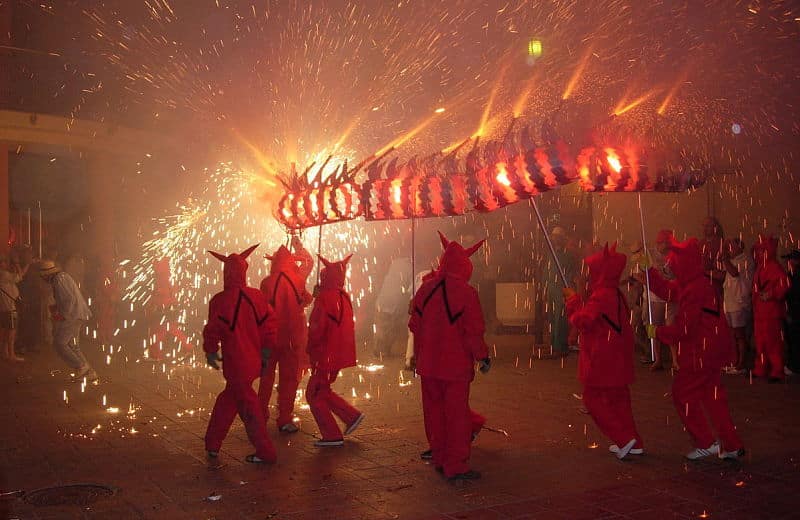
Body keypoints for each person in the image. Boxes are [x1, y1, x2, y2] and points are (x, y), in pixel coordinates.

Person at [645, 237, 744, 460]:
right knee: (714, 399)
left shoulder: (695, 289)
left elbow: (684, 329)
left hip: (700, 353)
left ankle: (705, 441)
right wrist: (650, 272)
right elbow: (669, 292)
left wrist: (657, 332)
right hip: (710, 352)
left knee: (682, 394)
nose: (670, 267)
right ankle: (731, 444)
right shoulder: (694, 283)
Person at [409, 232, 490, 480]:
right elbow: (473, 331)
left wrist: (417, 355)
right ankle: (456, 465)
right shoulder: (467, 293)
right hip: (454, 367)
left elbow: (415, 325)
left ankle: (440, 457)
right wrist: (482, 356)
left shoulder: (426, 288)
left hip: (428, 365)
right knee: (456, 416)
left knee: (434, 412)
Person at [565, 243, 643, 459]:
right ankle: (634, 441)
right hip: (617, 358)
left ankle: (623, 439)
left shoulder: (601, 295)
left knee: (592, 400)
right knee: (620, 401)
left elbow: (583, 320)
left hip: (603, 358)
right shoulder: (613, 293)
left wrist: (573, 301)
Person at [203, 245, 277, 464]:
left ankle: (265, 452)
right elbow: (269, 327)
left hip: (236, 364)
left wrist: (210, 351)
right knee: (228, 399)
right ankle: (212, 444)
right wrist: (265, 351)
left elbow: (212, 330)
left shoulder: (219, 301)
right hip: (253, 360)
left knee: (248, 406)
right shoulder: (256, 296)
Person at [305, 254, 365, 447]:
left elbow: (317, 329)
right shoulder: (343, 296)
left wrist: (309, 349)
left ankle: (331, 434)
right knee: (322, 390)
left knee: (313, 394)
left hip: (324, 355)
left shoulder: (324, 299)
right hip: (338, 355)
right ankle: (351, 416)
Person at [258, 237, 313, 433]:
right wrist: (299, 247)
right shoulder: (298, 280)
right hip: (291, 339)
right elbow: (309, 263)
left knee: (266, 378)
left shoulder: (266, 282)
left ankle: (260, 416)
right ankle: (284, 418)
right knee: (289, 379)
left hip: (270, 338)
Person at [40, 260, 96, 381]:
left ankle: (81, 366)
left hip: (72, 315)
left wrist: (62, 315)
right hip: (77, 314)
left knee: (60, 343)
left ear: (46, 274)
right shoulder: (61, 277)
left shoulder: (59, 279)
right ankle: (89, 372)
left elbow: (69, 299)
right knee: (73, 345)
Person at [751, 236, 790, 382]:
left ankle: (777, 370)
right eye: (759, 251)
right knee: (760, 342)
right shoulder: (761, 267)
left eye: (762, 251)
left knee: (773, 342)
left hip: (771, 312)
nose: (760, 254)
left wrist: (771, 294)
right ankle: (761, 368)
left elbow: (784, 284)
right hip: (760, 312)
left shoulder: (774, 267)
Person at [721, 238, 754, 375]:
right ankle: (734, 361)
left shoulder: (745, 259)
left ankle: (742, 364)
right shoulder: (733, 260)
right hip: (730, 303)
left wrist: (724, 259)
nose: (729, 249)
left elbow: (734, 272)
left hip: (739, 303)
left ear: (740, 246)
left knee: (740, 335)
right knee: (733, 334)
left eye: (731, 246)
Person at [544, 226, 577, 358]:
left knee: (561, 318)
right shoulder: (551, 254)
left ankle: (560, 347)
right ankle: (554, 345)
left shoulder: (568, 255)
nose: (556, 240)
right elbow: (546, 272)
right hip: (552, 289)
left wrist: (568, 290)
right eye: (554, 237)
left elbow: (571, 273)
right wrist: (545, 288)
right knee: (552, 317)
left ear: (562, 239)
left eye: (558, 238)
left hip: (562, 290)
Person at [373, 256, 412, 359]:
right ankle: (382, 351)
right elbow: (410, 290)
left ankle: (380, 350)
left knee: (383, 327)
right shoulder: (410, 268)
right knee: (390, 328)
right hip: (393, 303)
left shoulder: (396, 263)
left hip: (383, 301)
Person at [0, 255, 25, 361]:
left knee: (6, 331)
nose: (6, 263)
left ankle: (5, 353)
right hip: (10, 307)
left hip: (4, 307)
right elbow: (19, 277)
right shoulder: (4, 274)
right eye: (4, 261)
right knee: (12, 332)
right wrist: (18, 264)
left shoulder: (4, 274)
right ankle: (11, 354)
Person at [699, 216, 726, 298]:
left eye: (708, 226)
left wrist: (705, 272)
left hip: (715, 288)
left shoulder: (721, 244)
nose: (705, 228)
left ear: (715, 228)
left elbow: (721, 272)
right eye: (703, 225)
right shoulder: (700, 243)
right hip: (701, 287)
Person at [783, 249, 800, 375]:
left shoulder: (796, 276)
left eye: (791, 259)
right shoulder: (791, 274)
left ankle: (795, 366)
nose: (788, 261)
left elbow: (793, 294)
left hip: (795, 312)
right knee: (792, 339)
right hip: (791, 311)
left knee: (795, 340)